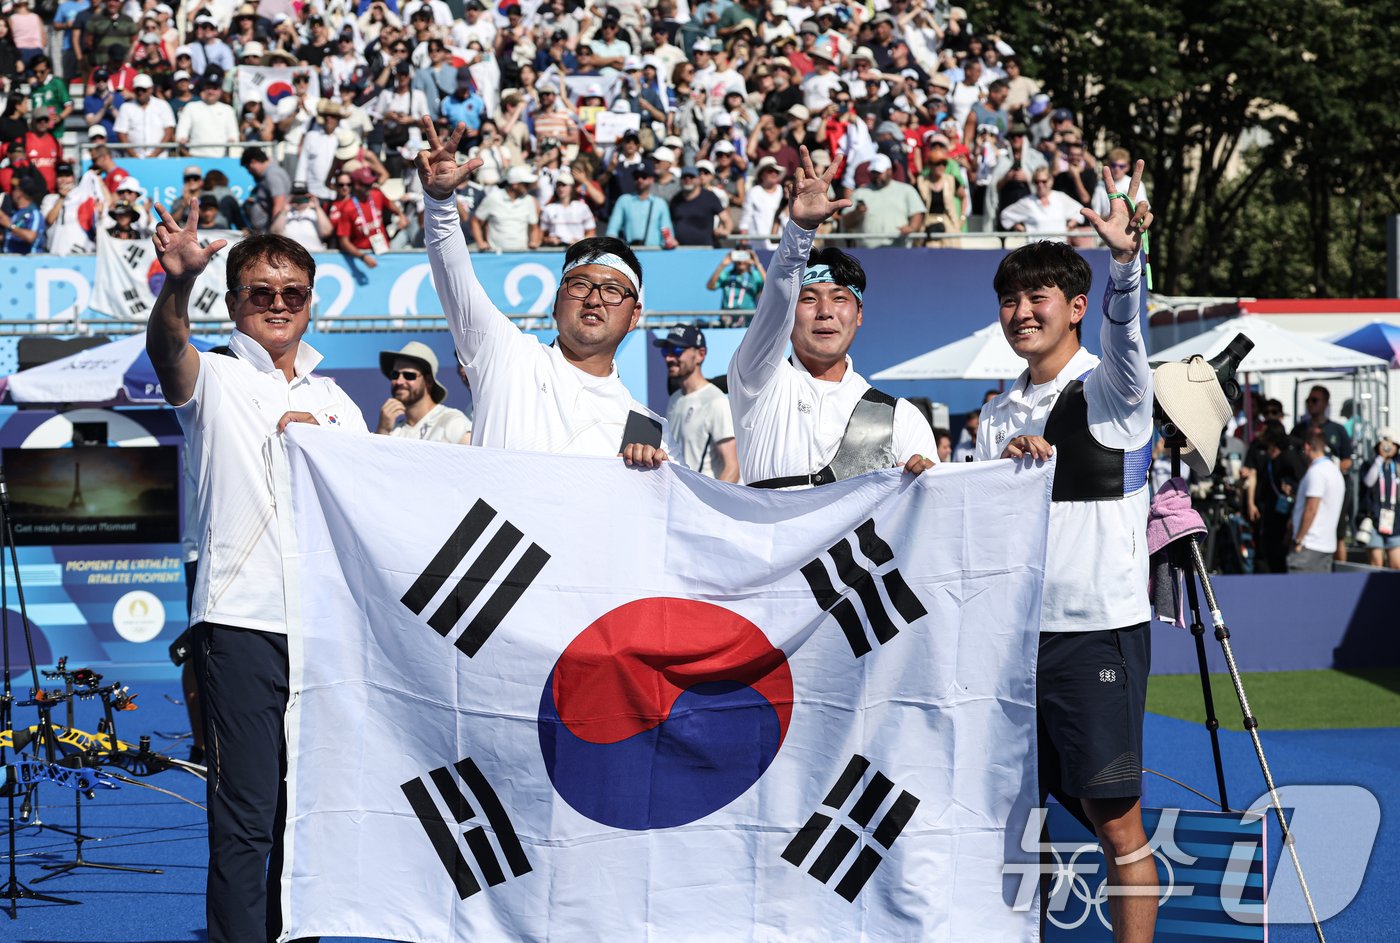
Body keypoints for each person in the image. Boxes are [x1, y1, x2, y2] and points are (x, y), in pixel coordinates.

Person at [145, 208, 367, 943]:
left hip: (326, 630)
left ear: (311, 301)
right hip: (242, 623)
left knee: (303, 815)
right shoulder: (215, 377)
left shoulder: (338, 402)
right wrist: (176, 286)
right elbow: (167, 347)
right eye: (259, 291)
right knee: (246, 815)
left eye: (292, 292)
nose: (276, 303)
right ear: (233, 300)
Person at [974, 161, 1157, 941]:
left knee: (1117, 825)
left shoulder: (1115, 390)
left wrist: (1126, 263)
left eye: (1036, 297)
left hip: (1094, 631)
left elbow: (1127, 335)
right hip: (1010, 645)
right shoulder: (994, 410)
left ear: (1076, 307)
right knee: (1017, 826)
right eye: (1010, 300)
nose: (1021, 311)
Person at [417, 116, 674, 464]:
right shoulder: (506, 354)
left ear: (634, 316)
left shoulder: (646, 431)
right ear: (556, 305)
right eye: (580, 285)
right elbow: (453, 275)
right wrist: (440, 200)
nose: (594, 299)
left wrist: (651, 481)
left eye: (613, 291)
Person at [729, 148, 937, 489]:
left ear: (859, 315)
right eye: (809, 299)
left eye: (840, 298)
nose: (825, 311)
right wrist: (800, 229)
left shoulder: (901, 417)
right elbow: (778, 294)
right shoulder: (757, 380)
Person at [657, 324, 740, 482]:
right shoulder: (674, 399)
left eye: (677, 351)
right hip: (677, 500)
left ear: (701, 354)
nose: (669, 358)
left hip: (700, 503)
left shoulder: (716, 401)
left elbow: (732, 467)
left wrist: (711, 505)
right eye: (666, 351)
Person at [375, 341, 473, 443]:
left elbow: (473, 457)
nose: (399, 381)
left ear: (429, 381)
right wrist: (382, 431)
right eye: (395, 375)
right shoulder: (392, 432)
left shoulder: (453, 422)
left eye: (409, 375)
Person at [1289, 431, 1345, 573]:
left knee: (1298, 592)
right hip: (1325, 545)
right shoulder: (1334, 471)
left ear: (1307, 447)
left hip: (1310, 545)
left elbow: (1311, 508)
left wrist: (1299, 539)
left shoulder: (1317, 472)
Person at [841, 153, 924, 247]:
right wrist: (856, 213)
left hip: (899, 250)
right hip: (867, 252)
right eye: (873, 172)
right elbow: (846, 222)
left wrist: (911, 227)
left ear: (889, 171)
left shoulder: (906, 190)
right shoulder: (860, 193)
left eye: (879, 172)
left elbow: (917, 212)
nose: (876, 176)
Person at [998, 167, 1086, 241]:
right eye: (1037, 182)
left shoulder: (1060, 197)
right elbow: (1005, 215)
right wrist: (1022, 229)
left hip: (1060, 248)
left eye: (1044, 181)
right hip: (1036, 250)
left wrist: (1070, 226)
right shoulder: (1027, 202)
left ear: (1051, 180)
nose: (1040, 185)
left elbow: (1080, 211)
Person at [606, 163, 675, 248]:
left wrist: (669, 242)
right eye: (636, 177)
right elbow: (612, 231)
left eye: (644, 176)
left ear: (652, 179)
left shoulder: (660, 204)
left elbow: (667, 234)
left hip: (655, 253)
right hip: (630, 253)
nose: (640, 180)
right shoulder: (624, 200)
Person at [472, 165, 541, 251]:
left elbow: (534, 227)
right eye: (526, 184)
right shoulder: (493, 198)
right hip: (496, 255)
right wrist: (480, 243)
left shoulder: (529, 200)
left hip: (522, 255)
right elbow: (475, 222)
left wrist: (534, 242)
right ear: (514, 185)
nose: (529, 187)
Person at [1361, 428, 1400, 569]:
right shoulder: (1371, 463)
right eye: (1384, 444)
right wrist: (1380, 459)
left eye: (1392, 444)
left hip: (1395, 520)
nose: (1388, 447)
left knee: (1397, 564)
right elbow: (1368, 482)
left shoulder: (1397, 465)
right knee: (1376, 564)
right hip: (1374, 518)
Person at [114, 73, 176, 158]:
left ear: (151, 89)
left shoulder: (163, 105)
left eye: (143, 89)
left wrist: (155, 154)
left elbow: (169, 131)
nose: (140, 92)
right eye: (137, 89)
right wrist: (134, 155)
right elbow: (121, 133)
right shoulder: (126, 107)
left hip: (160, 158)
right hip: (133, 159)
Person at [706, 248, 766, 314]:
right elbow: (710, 286)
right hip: (728, 320)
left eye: (743, 256)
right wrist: (722, 265)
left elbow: (770, 286)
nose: (741, 261)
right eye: (738, 256)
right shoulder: (727, 275)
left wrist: (757, 264)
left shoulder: (754, 275)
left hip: (748, 321)